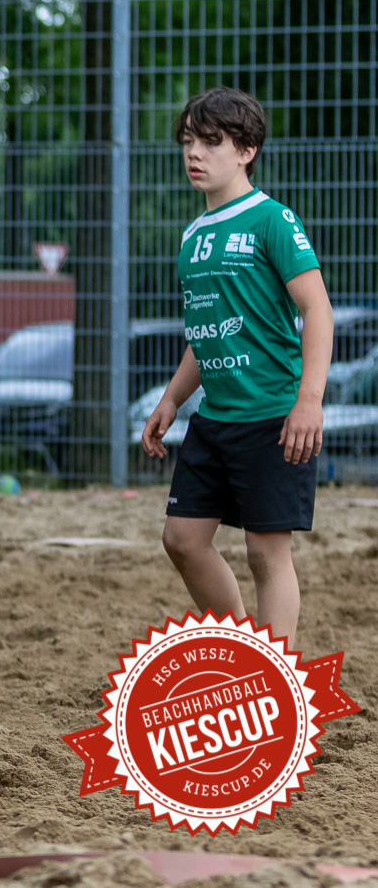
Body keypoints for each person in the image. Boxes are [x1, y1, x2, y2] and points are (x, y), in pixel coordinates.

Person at [141, 88, 331, 650]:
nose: (194, 153)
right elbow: (206, 332)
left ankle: (275, 689)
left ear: (246, 149)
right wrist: (172, 399)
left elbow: (317, 309)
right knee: (182, 540)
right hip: (214, 419)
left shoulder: (272, 219)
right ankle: (253, 648)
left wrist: (309, 401)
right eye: (188, 141)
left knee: (266, 554)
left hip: (273, 416)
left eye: (210, 142)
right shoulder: (193, 235)